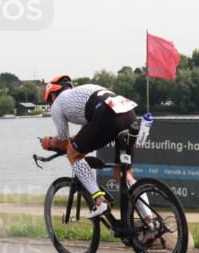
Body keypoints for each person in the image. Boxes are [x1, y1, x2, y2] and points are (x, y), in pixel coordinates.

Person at [40, 74, 139, 218]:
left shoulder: (57, 104)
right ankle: (150, 220)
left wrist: (48, 142)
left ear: (52, 95)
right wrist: (75, 144)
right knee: (124, 175)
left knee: (72, 154)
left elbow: (63, 141)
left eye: (49, 102)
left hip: (106, 114)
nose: (50, 106)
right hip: (128, 112)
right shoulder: (81, 92)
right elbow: (85, 136)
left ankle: (99, 200)